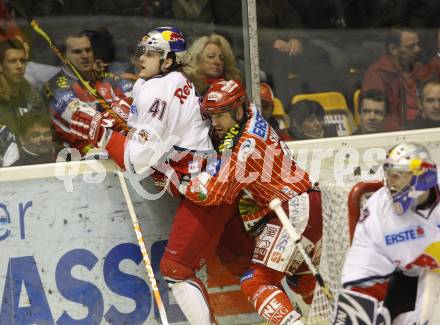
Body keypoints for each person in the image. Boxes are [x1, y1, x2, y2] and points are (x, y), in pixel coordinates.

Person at [67, 26, 252, 325]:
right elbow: (150, 131)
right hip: (215, 181)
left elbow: (137, 160)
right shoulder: (168, 82)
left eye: (151, 53)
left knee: (176, 268)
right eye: (142, 51)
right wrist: (123, 120)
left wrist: (98, 131)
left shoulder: (157, 88)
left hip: (205, 190)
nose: (142, 58)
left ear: (168, 61)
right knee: (241, 260)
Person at [180, 80, 323, 325]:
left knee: (255, 281)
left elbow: (214, 194)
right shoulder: (251, 115)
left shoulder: (244, 145)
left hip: (294, 210)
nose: (215, 123)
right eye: (211, 116)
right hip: (312, 205)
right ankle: (331, 317)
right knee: (301, 281)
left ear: (237, 109)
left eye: (221, 115)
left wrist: (184, 183)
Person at [333, 142, 440, 324]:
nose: (391, 183)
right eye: (389, 176)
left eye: (398, 176)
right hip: (408, 279)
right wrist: (356, 310)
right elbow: (364, 266)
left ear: (423, 176)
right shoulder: (379, 209)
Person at [42, 30, 132, 154]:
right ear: (63, 57)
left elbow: (136, 108)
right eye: (77, 52)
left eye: (88, 50)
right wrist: (119, 109)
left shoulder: (109, 78)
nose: (85, 55)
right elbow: (92, 126)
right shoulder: (55, 88)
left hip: (121, 154)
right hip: (76, 164)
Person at [361, 26, 425, 131]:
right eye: (411, 46)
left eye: (417, 44)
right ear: (393, 49)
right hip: (399, 132)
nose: (418, 49)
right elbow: (378, 114)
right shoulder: (377, 74)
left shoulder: (420, 69)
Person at [0, 39, 48, 135]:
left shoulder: (34, 98)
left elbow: (47, 131)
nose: (20, 66)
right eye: (13, 61)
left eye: (22, 61)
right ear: (0, 66)